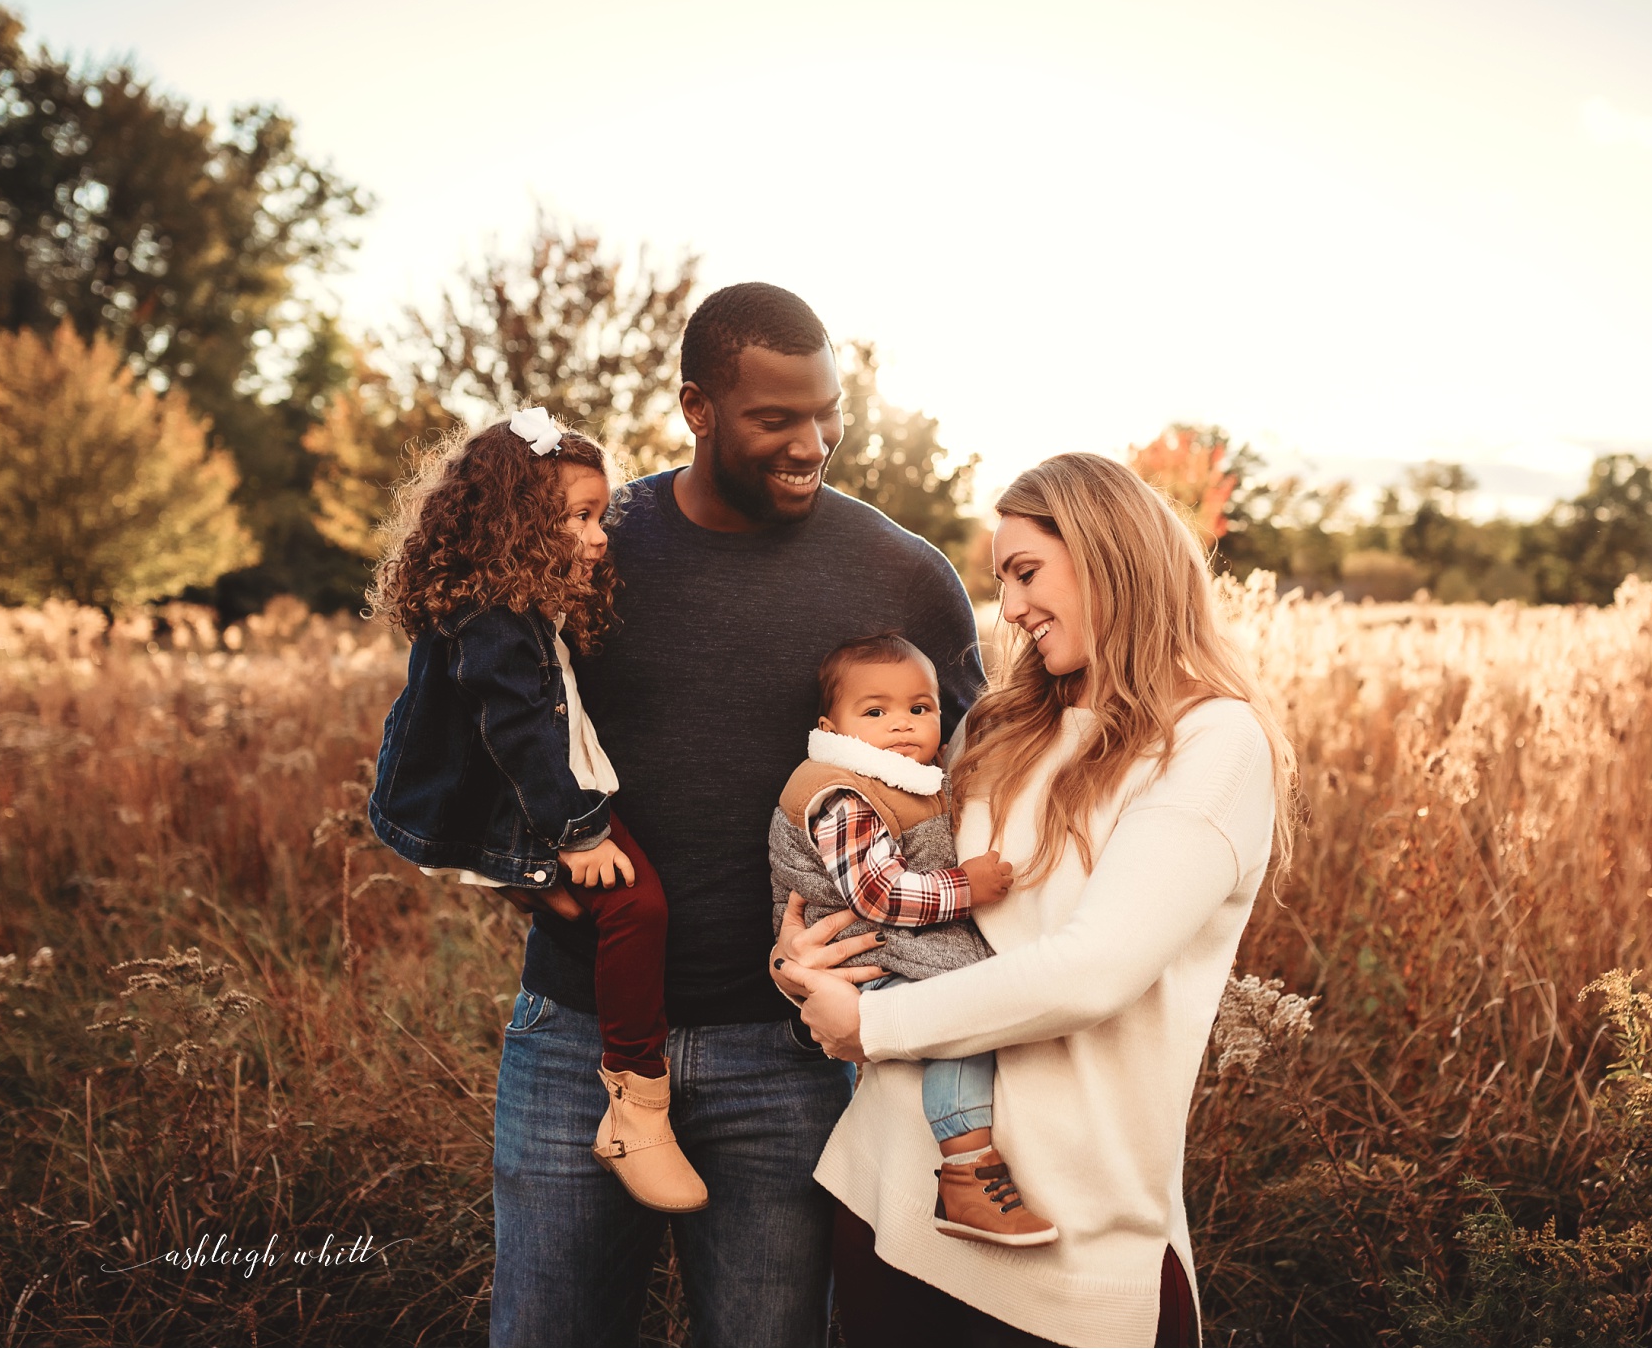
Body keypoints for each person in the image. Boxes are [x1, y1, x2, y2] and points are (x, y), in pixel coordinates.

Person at [491, 283, 987, 1347]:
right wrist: (530, 871)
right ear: (695, 407)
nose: (813, 443)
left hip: (794, 1055)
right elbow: (477, 724)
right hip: (578, 1039)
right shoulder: (589, 547)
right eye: (776, 419)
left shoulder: (902, 575)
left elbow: (992, 780)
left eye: (827, 413)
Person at [776, 452, 1299, 1348]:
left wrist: (870, 1028)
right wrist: (810, 974)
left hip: (1071, 1239)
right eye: (1000, 581)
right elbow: (892, 893)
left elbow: (1092, 971)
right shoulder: (996, 725)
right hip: (890, 1184)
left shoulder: (1214, 743)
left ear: (1108, 553)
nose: (1008, 609)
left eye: (1025, 572)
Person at [364, 412, 709, 1214]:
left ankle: (635, 1093)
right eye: (578, 518)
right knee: (636, 904)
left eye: (600, 516)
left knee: (603, 907)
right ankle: (637, 1105)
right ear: (518, 525)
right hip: (527, 808)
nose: (598, 537)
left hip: (530, 800)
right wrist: (579, 833)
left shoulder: (510, 601)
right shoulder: (492, 618)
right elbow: (519, 730)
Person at [769, 633, 1055, 1246]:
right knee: (957, 1021)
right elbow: (878, 894)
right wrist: (966, 886)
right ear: (832, 725)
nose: (902, 724)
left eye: (919, 709)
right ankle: (966, 1171)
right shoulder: (841, 792)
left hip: (891, 943)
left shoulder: (909, 779)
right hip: (871, 949)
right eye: (876, 712)